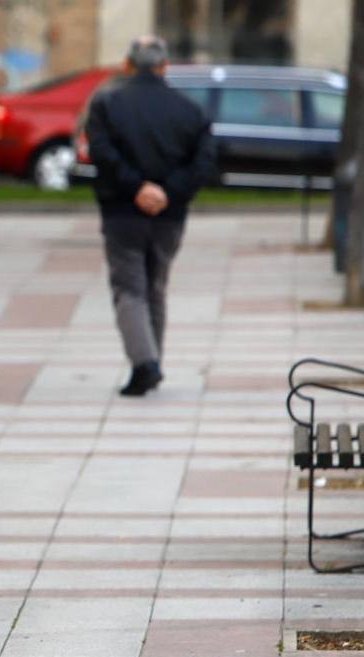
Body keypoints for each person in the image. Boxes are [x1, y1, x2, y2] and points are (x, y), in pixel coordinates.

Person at [84, 36, 215, 396]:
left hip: (122, 210)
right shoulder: (190, 109)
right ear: (164, 67)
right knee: (155, 287)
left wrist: (136, 187)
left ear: (127, 65)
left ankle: (145, 364)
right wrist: (168, 192)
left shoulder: (107, 104)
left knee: (129, 288)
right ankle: (152, 360)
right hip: (168, 216)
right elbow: (203, 163)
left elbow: (101, 152)